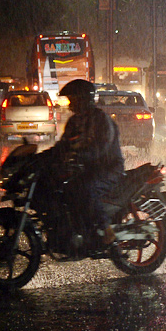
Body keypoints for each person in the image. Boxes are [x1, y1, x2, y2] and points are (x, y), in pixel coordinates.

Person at [49, 79, 124, 246]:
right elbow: (63, 145)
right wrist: (44, 157)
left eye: (73, 99)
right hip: (87, 169)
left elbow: (101, 149)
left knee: (86, 188)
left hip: (109, 168)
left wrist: (80, 156)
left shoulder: (101, 120)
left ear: (84, 99)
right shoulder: (74, 122)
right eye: (70, 100)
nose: (70, 104)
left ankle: (106, 230)